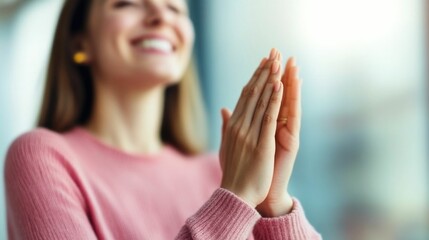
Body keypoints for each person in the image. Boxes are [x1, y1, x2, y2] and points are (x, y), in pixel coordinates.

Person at [4, 0, 321, 239]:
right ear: (79, 42)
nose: (160, 16)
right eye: (126, 2)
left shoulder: (218, 172)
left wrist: (273, 203)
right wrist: (235, 200)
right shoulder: (41, 156)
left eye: (175, 8)